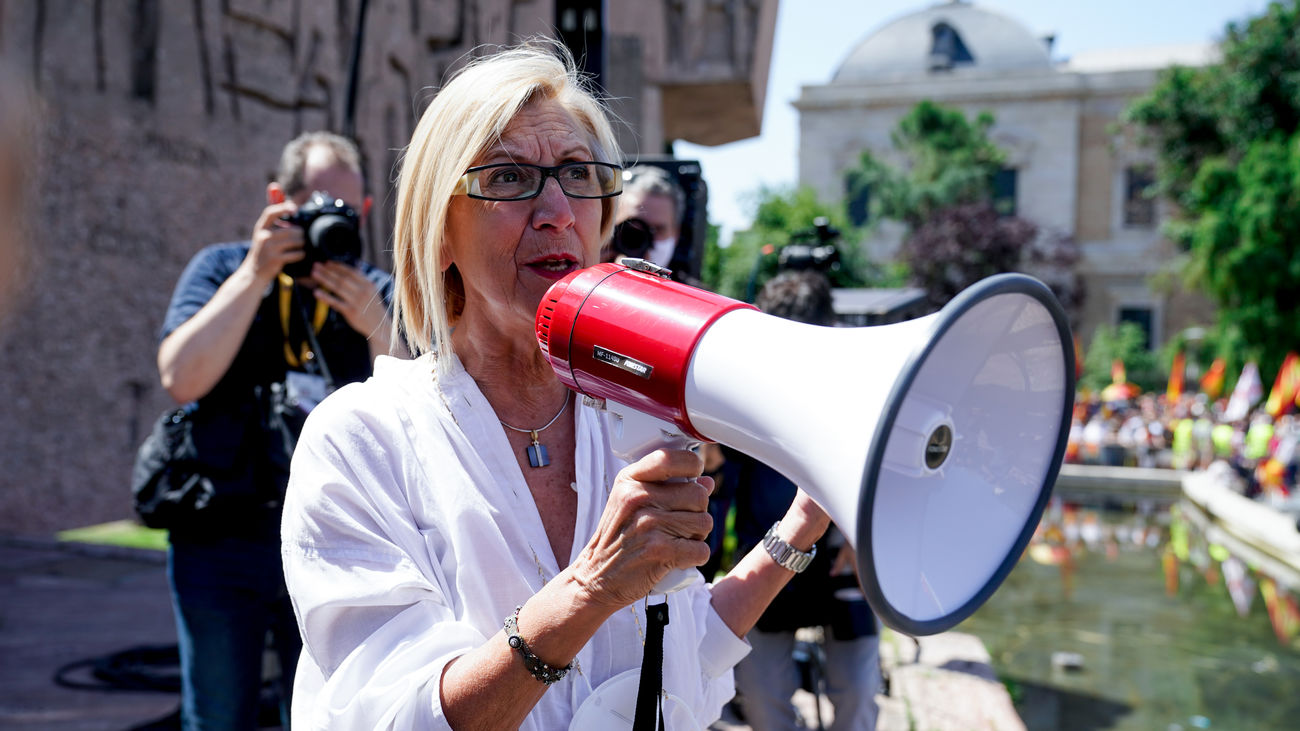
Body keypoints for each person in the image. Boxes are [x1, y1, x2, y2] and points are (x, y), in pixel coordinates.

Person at [280, 43, 831, 730]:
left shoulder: (631, 414)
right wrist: (593, 587)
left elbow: (685, 648)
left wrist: (804, 521)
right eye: (508, 178)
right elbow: (399, 716)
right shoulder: (360, 440)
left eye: (578, 174)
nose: (556, 209)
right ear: (437, 227)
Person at [157, 130, 397, 729]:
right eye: (317, 206)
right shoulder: (223, 268)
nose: (330, 223)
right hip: (222, 537)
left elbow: (426, 408)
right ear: (278, 201)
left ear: (366, 211)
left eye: (345, 210)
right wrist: (254, 276)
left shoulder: (378, 293)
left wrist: (377, 327)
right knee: (216, 716)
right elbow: (179, 377)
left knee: (325, 717)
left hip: (339, 541)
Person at [728, 270, 880, 731]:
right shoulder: (745, 390)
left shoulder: (861, 387)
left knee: (858, 696)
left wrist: (865, 538)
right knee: (759, 696)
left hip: (843, 563)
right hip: (766, 557)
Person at [616, 164, 687, 270]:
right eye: (633, 228)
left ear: (676, 234)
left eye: (657, 229)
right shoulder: (585, 281)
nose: (646, 240)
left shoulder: (690, 287)